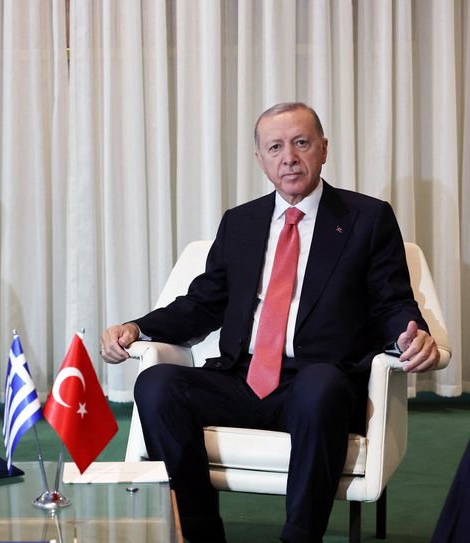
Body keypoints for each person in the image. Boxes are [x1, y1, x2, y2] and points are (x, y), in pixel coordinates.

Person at [100, 102, 440, 543]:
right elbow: (203, 304)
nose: (289, 157)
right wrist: (136, 328)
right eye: (275, 147)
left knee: (320, 386)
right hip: (242, 380)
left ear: (323, 149)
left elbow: (391, 299)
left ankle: (299, 537)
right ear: (260, 161)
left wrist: (410, 336)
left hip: (318, 383)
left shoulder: (366, 219)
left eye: (301, 143)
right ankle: (201, 533)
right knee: (157, 385)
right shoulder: (240, 223)